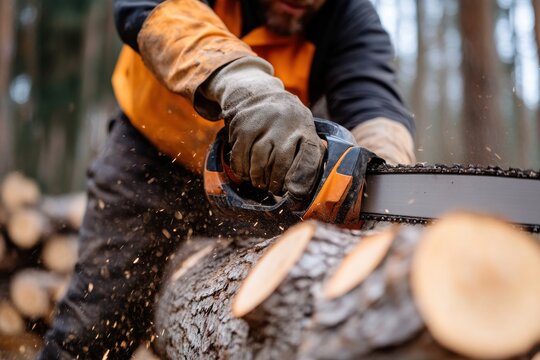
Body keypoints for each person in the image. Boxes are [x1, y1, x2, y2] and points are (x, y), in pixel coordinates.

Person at [39, 0, 415, 358]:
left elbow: (372, 100)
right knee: (94, 323)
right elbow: (151, 9)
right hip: (147, 158)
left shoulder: (350, 18)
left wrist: (384, 169)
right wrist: (244, 85)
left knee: (250, 322)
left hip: (256, 185)